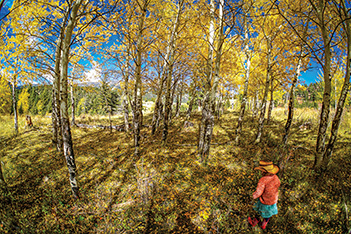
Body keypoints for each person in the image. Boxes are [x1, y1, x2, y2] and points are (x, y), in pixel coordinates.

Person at [248, 160, 280, 230]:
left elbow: (259, 192)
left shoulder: (263, 180)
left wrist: (253, 196)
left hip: (264, 201)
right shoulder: (276, 177)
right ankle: (263, 224)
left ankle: (254, 221)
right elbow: (278, 185)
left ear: (264, 171)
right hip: (273, 200)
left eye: (262, 171)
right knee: (268, 214)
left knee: (259, 211)